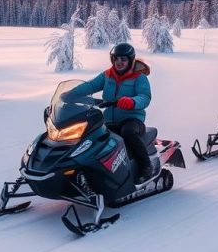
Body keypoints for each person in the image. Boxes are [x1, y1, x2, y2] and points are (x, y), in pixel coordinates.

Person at [66, 43, 154, 184]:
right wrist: (71, 94)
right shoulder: (107, 75)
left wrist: (131, 102)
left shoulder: (139, 77)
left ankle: (146, 166)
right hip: (109, 120)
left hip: (132, 119)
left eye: (123, 59)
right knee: (90, 135)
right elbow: (91, 85)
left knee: (128, 132)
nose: (119, 62)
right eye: (116, 59)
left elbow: (144, 97)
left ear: (130, 60)